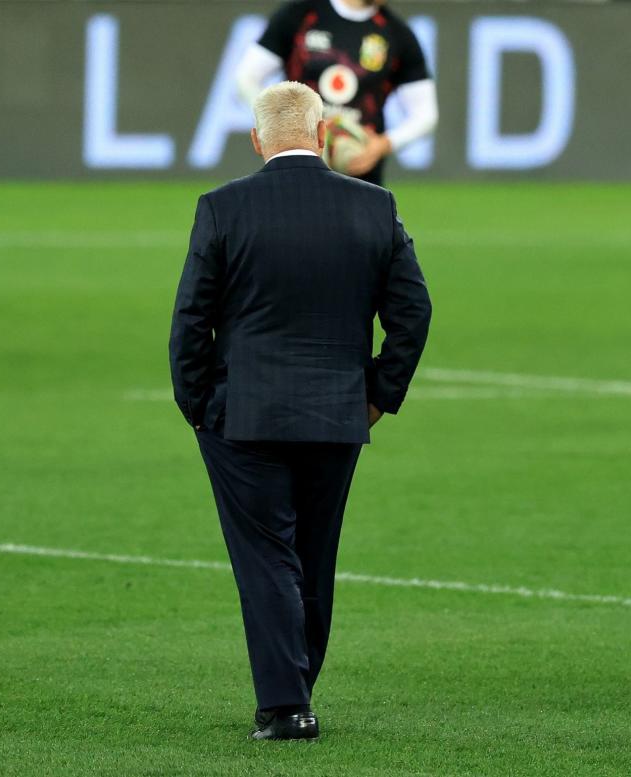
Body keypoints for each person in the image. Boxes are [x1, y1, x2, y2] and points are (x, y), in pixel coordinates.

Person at [169, 80, 432, 739]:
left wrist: (199, 405)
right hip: (337, 413)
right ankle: (297, 685)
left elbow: (190, 319)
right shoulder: (375, 207)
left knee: (267, 558)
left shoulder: (222, 207)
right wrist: (378, 394)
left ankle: (286, 705)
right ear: (322, 136)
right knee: (312, 557)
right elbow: (412, 312)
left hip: (243, 415)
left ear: (258, 140)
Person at [235, 0, 437, 186]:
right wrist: (285, 126)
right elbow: (247, 78)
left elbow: (425, 114)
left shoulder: (397, 33)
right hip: (299, 166)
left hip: (361, 177)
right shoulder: (301, 15)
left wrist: (382, 145)